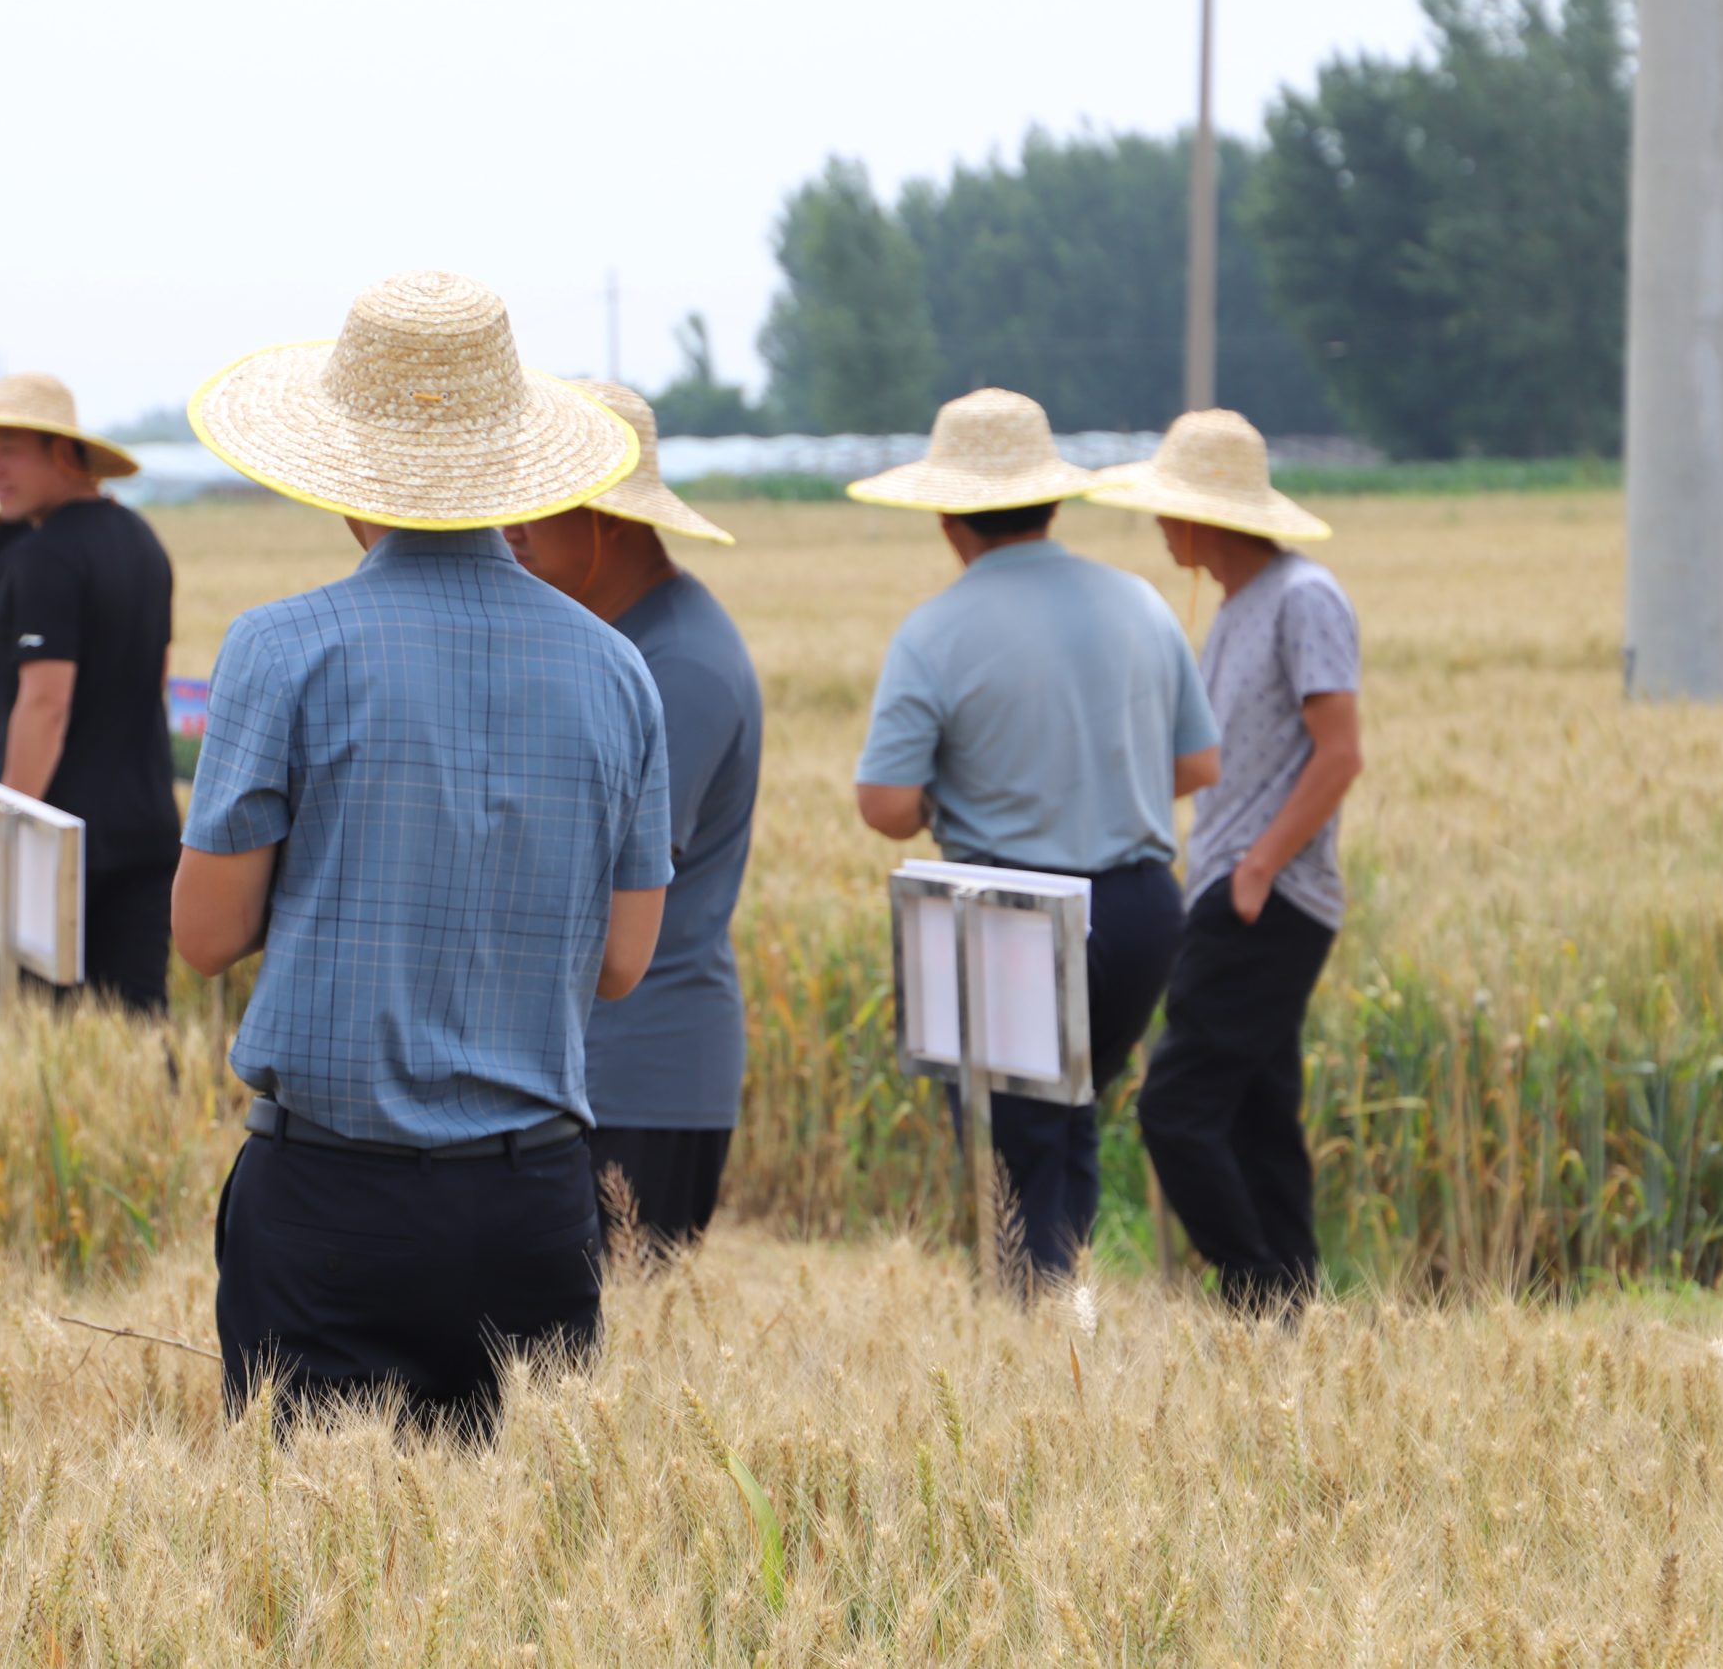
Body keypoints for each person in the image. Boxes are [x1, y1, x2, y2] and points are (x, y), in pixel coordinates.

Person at [174, 269, 669, 1435]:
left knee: (307, 1576)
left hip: (330, 1196)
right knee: (511, 1587)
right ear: (515, 475)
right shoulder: (617, 669)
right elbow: (622, 961)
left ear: (342, 468)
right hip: (535, 1196)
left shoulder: (280, 649)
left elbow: (202, 936)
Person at [850, 387, 1219, 1289]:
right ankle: (1072, 1320)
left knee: (1010, 1155)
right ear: (1054, 501)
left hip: (1009, 913)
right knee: (1071, 1111)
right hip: (1140, 912)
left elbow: (885, 804)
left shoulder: (934, 630)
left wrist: (966, 793)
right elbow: (1198, 764)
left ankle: (1035, 1340)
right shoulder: (1140, 602)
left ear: (947, 515)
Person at [1089, 409, 1362, 1314]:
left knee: (1175, 1106)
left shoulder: (1302, 597)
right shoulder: (1246, 605)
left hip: (1265, 897)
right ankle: (1293, 1309)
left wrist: (1255, 870)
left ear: (1209, 516)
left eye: (1171, 507)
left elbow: (1340, 752)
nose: (1160, 525)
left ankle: (1254, 1295)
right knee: (1255, 1113)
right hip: (1238, 888)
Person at [505, 381, 760, 1256]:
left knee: (617, 1354)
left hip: (644, 1074)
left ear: (606, 520)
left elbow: (597, 873)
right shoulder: (625, 643)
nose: (513, 535)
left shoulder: (677, 664)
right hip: (599, 1064)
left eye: (537, 513)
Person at [0, 377, 180, 1019]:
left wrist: (5, 838)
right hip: (148, 828)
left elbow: (44, 704)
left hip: (62, 842)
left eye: (8, 450)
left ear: (62, 453)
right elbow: (156, 681)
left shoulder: (46, 557)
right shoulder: (143, 542)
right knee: (137, 1023)